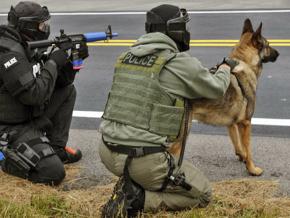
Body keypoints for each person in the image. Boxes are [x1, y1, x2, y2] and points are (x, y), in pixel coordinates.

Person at [99, 4, 238, 217]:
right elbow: (216, 88)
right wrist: (225, 68)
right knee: (202, 194)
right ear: (173, 30)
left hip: (107, 152)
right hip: (142, 161)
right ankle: (136, 200)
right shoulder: (179, 62)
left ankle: (133, 186)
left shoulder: (125, 55)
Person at [0, 1, 88, 185]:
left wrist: (71, 63)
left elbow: (59, 83)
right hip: (9, 127)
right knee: (53, 173)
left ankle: (55, 149)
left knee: (67, 91)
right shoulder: (8, 53)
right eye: (41, 24)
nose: (45, 28)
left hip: (26, 116)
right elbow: (34, 95)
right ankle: (6, 160)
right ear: (28, 26)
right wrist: (53, 63)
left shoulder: (26, 44)